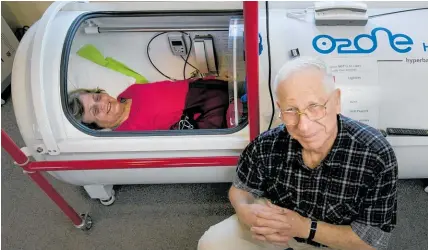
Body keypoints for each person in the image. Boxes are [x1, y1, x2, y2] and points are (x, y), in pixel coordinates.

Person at [198, 56, 398, 250]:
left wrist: (303, 227)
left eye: (314, 106)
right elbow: (241, 189)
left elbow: (372, 241)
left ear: (336, 101)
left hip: (337, 240)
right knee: (212, 243)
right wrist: (247, 213)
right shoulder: (267, 144)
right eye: (291, 110)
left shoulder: (375, 154)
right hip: (279, 230)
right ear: (280, 109)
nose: (304, 126)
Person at [67, 77, 231, 131]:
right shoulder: (127, 135)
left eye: (97, 98)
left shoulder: (128, 92)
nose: (101, 104)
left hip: (215, 87)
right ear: (97, 126)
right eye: (95, 111)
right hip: (214, 115)